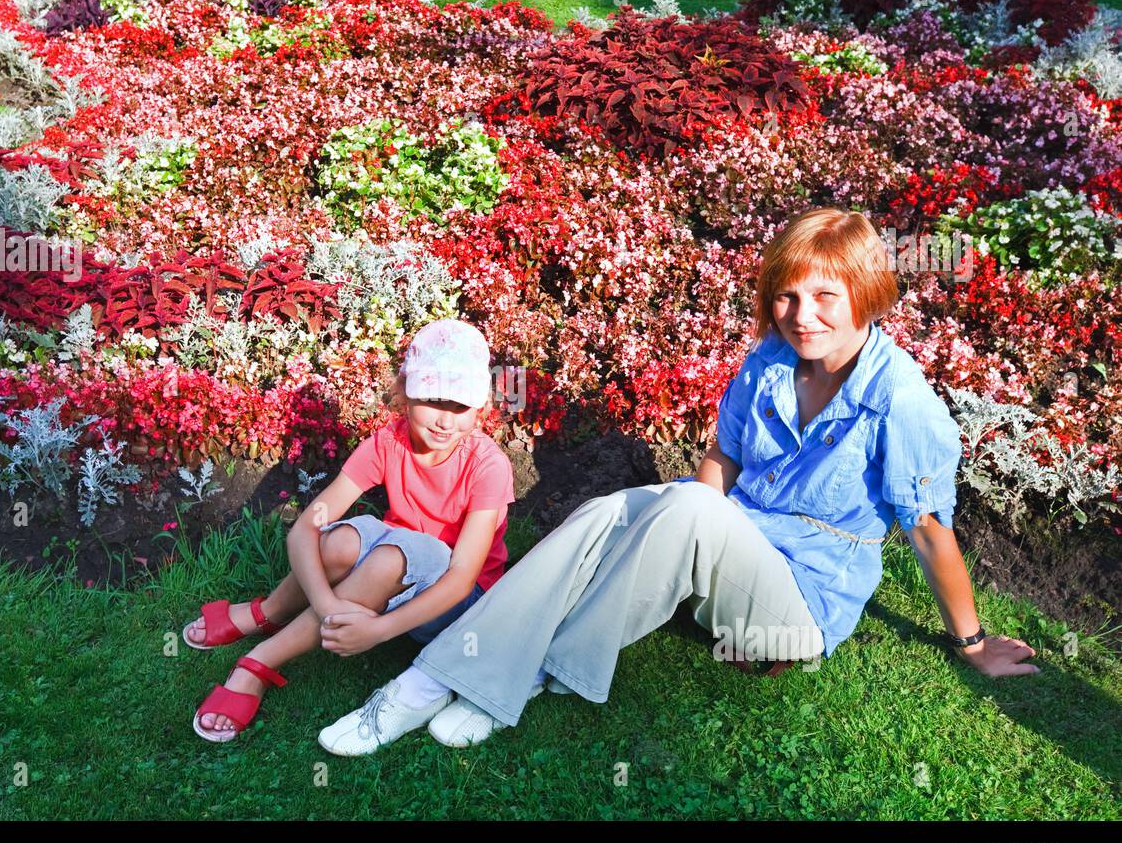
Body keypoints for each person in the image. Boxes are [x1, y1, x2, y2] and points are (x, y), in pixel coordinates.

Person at [320, 206, 1039, 754]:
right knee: (607, 515)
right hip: (724, 571)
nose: (801, 315)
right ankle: (446, 680)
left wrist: (972, 644)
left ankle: (485, 672)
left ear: (868, 293)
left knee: (687, 507)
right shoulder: (772, 359)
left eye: (825, 296)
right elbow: (722, 461)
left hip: (796, 612)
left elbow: (926, 529)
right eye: (787, 296)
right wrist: (670, 544)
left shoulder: (901, 400)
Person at [187, 319, 515, 742]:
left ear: (480, 409)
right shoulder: (387, 443)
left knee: (387, 558)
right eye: (433, 399)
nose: (445, 421)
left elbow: (460, 578)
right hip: (401, 564)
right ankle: (269, 612)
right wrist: (326, 607)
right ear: (405, 393)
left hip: (457, 606)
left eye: (461, 406)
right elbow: (306, 529)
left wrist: (378, 631)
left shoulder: (488, 465)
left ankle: (258, 662)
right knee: (339, 541)